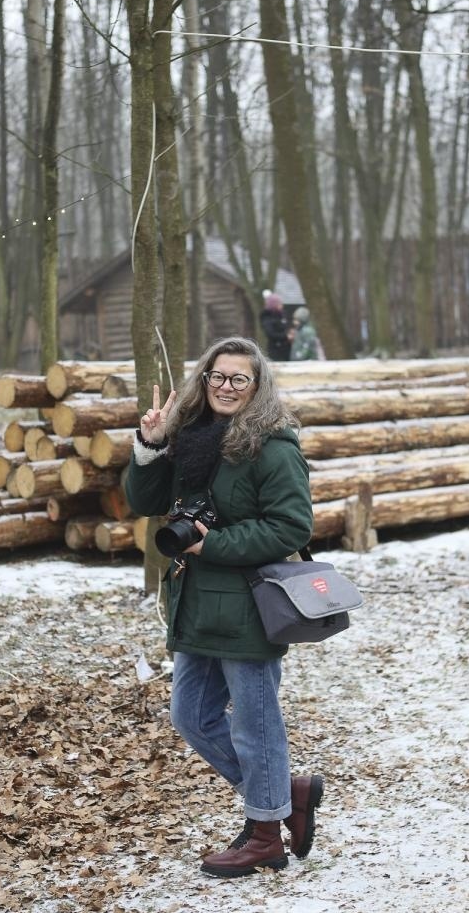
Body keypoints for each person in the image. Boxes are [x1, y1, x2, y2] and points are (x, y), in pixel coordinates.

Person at [125, 336, 324, 879]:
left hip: (250, 606)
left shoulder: (273, 448)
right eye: (217, 376)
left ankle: (265, 836)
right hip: (195, 604)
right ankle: (286, 793)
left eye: (239, 378)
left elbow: (290, 527)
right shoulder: (191, 439)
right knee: (190, 716)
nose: (226, 387)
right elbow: (144, 503)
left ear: (257, 387)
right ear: (203, 380)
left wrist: (211, 545)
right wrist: (151, 443)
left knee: (256, 726)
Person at [259, 292, 291, 362]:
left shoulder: (282, 314)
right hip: (276, 350)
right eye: (279, 303)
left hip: (287, 349)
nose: (281, 305)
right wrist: (286, 336)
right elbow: (271, 334)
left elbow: (286, 326)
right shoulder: (267, 317)